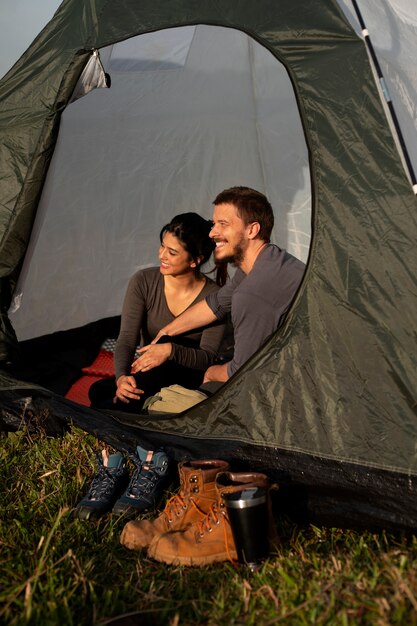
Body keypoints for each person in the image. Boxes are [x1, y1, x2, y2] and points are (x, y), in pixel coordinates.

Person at [76, 212, 226, 520]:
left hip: (187, 373)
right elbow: (127, 339)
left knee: (109, 396)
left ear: (195, 260)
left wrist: (170, 350)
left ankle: (121, 461)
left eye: (172, 252)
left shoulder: (215, 296)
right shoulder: (144, 281)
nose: (161, 255)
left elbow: (208, 357)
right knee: (109, 388)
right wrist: (120, 377)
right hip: (146, 372)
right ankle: (142, 458)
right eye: (162, 246)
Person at [143, 186, 305, 386]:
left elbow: (242, 372)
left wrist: (210, 373)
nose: (212, 233)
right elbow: (216, 304)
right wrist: (164, 334)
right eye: (213, 224)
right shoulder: (266, 260)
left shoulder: (252, 293)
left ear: (252, 230)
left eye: (223, 224)